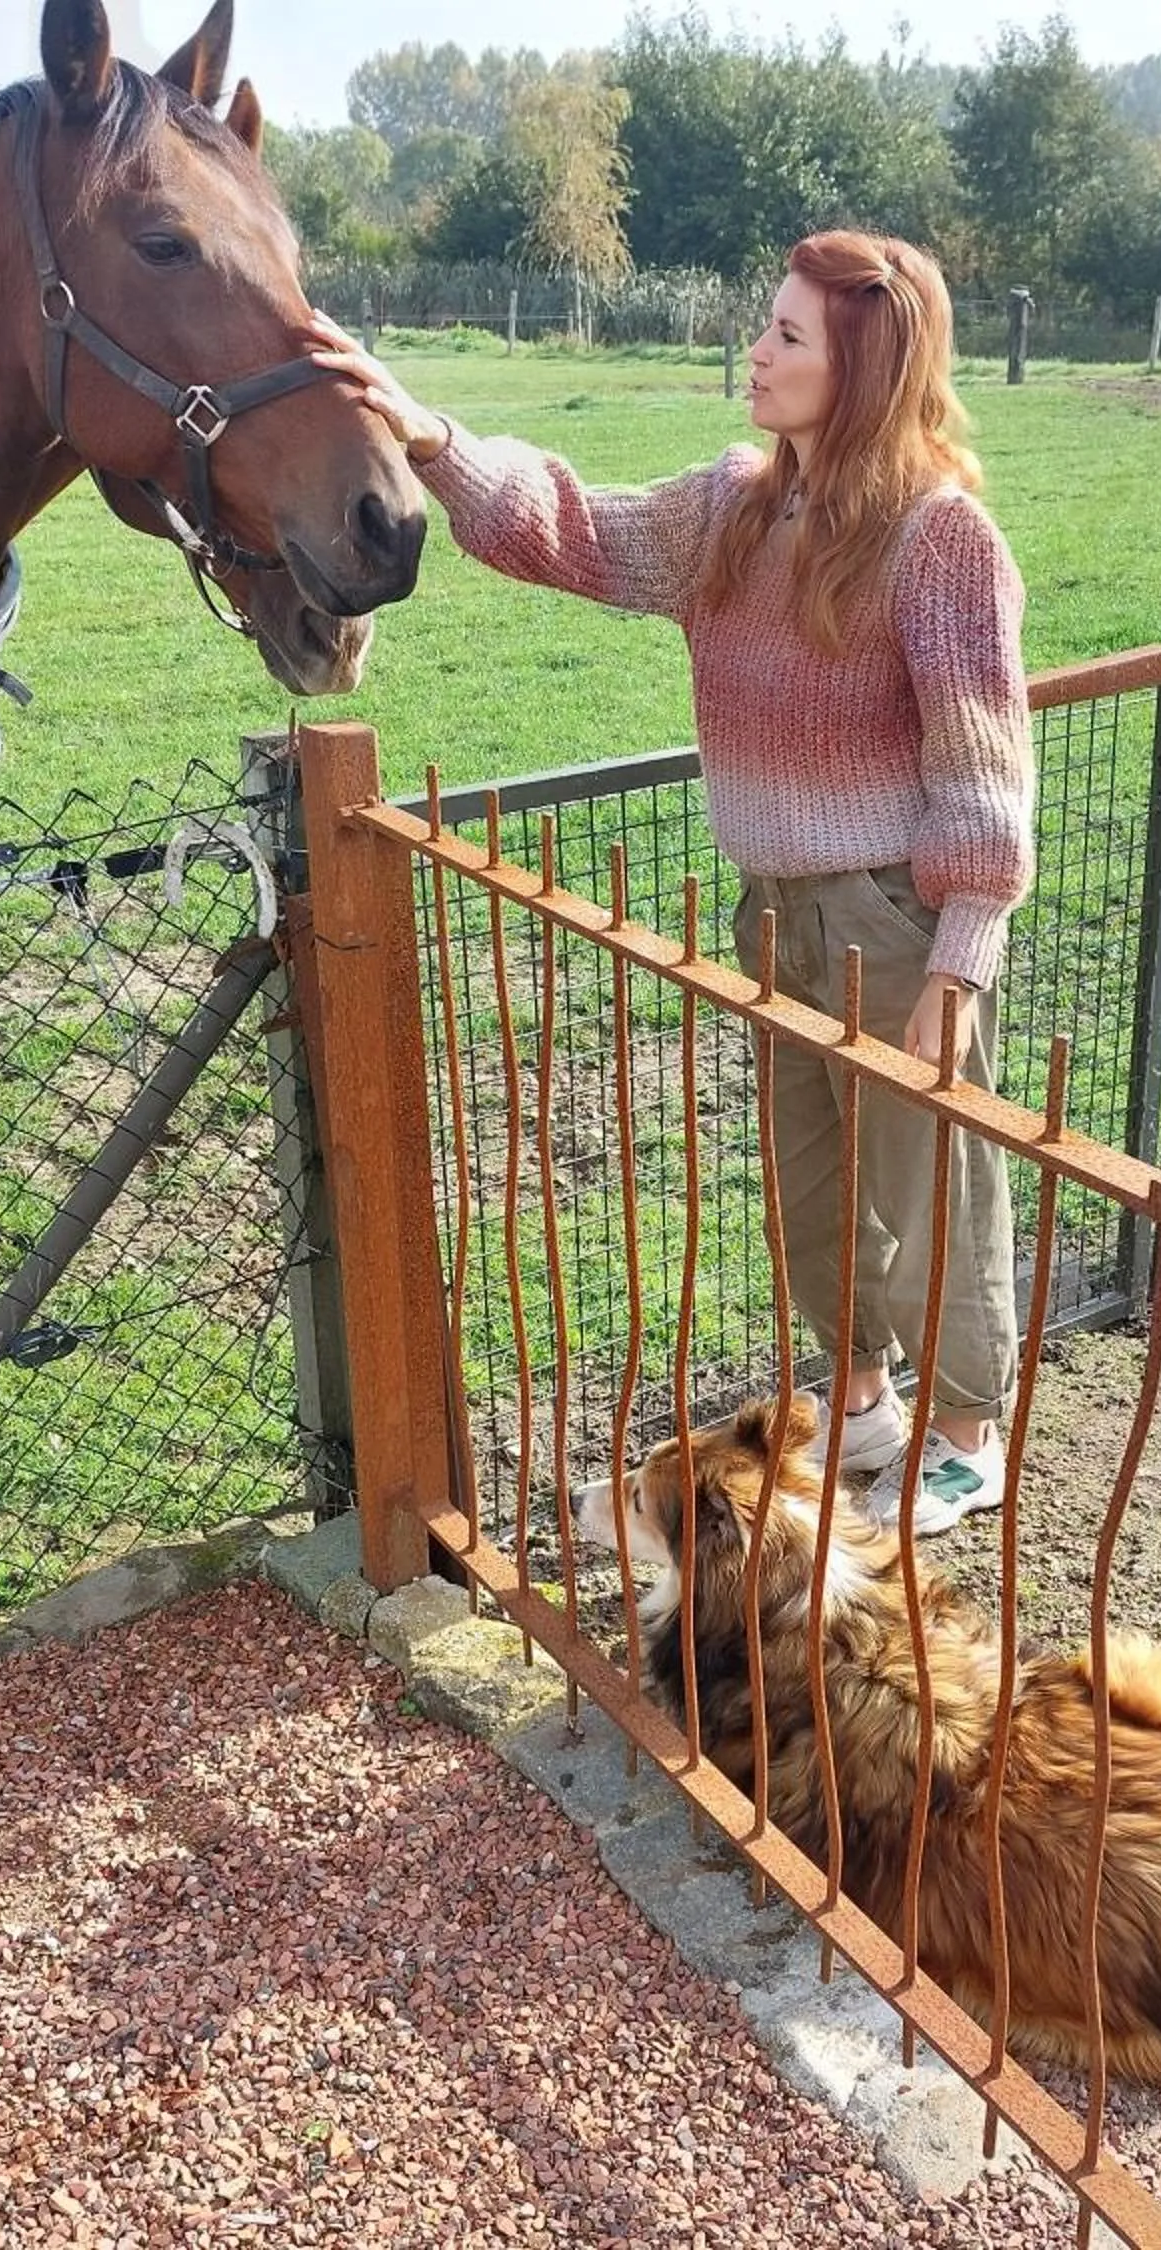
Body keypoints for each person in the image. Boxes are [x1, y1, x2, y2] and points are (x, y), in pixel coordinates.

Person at [312, 232, 1034, 1534]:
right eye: (766, 327)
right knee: (809, 1179)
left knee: (934, 1174)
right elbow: (579, 530)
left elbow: (982, 758)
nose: (756, 353)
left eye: (789, 337)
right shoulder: (733, 510)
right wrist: (429, 439)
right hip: (776, 909)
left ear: (864, 367)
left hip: (897, 912)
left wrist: (961, 952)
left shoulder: (939, 542)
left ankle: (968, 1432)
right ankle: (863, 1399)